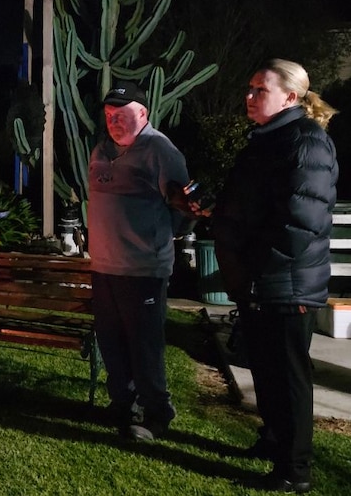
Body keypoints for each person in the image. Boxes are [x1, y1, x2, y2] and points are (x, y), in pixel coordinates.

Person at [212, 59, 337, 494]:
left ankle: (295, 469)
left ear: (290, 97)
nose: (248, 97)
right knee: (266, 371)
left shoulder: (306, 142)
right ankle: (272, 442)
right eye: (248, 88)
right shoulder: (266, 141)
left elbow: (300, 222)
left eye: (258, 90)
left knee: (288, 378)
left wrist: (255, 264)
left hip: (284, 281)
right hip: (262, 280)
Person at [88, 80, 194, 442]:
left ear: (144, 113)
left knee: (144, 346)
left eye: (123, 114)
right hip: (104, 267)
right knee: (112, 344)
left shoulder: (160, 151)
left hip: (144, 271)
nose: (114, 121)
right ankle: (124, 406)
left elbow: (183, 207)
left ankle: (157, 412)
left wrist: (154, 239)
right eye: (109, 115)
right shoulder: (101, 150)